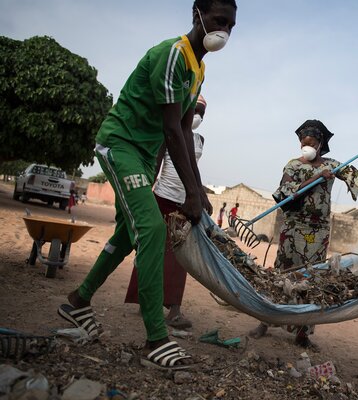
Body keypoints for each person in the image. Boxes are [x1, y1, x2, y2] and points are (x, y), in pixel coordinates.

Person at [57, 0, 236, 371]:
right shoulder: (173, 55)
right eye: (220, 20)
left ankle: (77, 301)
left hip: (142, 154)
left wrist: (198, 189)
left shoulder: (198, 68)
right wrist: (188, 190)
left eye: (231, 25)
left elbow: (185, 130)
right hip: (120, 143)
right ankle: (156, 337)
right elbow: (171, 129)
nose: (225, 30)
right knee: (152, 228)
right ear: (197, 14)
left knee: (128, 232)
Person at [249, 119, 358, 348]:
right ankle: (265, 321)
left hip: (318, 232)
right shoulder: (292, 165)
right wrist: (315, 178)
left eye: (311, 142)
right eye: (303, 141)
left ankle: (302, 333)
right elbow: (285, 193)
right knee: (281, 275)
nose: (306, 145)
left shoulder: (332, 165)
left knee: (312, 278)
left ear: (320, 143)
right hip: (293, 228)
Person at [124, 95, 208, 330]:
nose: (198, 116)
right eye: (195, 110)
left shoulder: (200, 139)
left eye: (202, 112)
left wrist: (201, 194)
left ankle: (173, 308)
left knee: (180, 256)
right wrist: (144, 193)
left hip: (185, 202)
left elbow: (193, 167)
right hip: (162, 197)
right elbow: (157, 162)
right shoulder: (169, 132)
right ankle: (145, 300)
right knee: (152, 249)